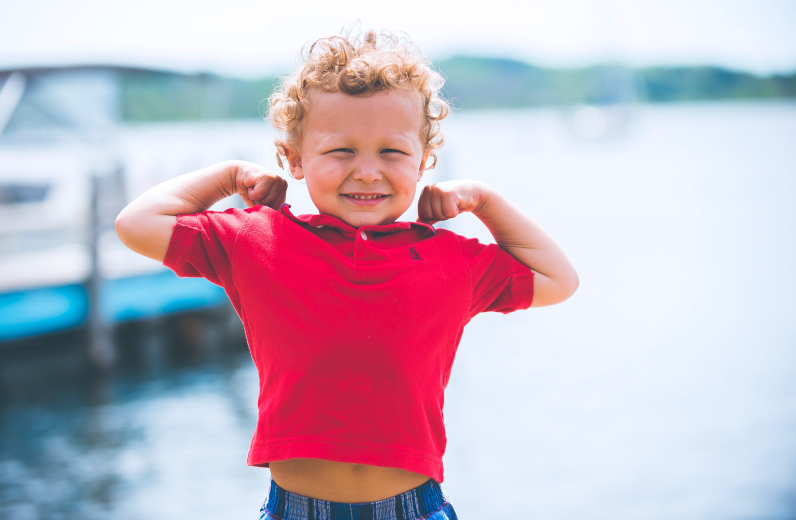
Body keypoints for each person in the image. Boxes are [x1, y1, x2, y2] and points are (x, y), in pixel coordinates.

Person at [116, 28, 578, 520]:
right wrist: (229, 174)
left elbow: (558, 279)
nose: (367, 171)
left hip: (415, 510)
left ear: (423, 161)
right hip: (295, 511)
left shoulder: (450, 259)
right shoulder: (256, 241)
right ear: (295, 159)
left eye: (391, 152)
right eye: (341, 151)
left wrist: (484, 201)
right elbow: (136, 224)